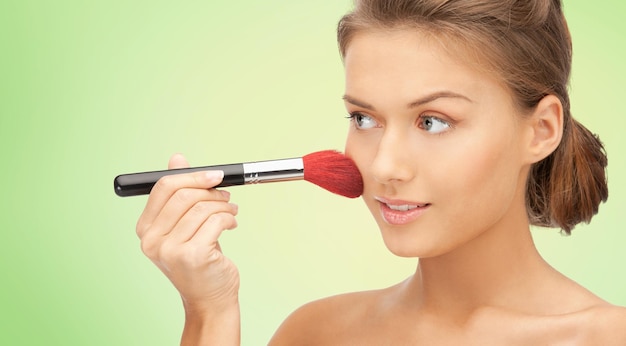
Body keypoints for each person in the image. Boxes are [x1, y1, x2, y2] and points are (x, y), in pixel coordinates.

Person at [135, 0, 626, 344]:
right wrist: (208, 312)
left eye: (433, 122)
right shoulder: (315, 335)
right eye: (363, 119)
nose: (384, 165)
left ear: (540, 130)